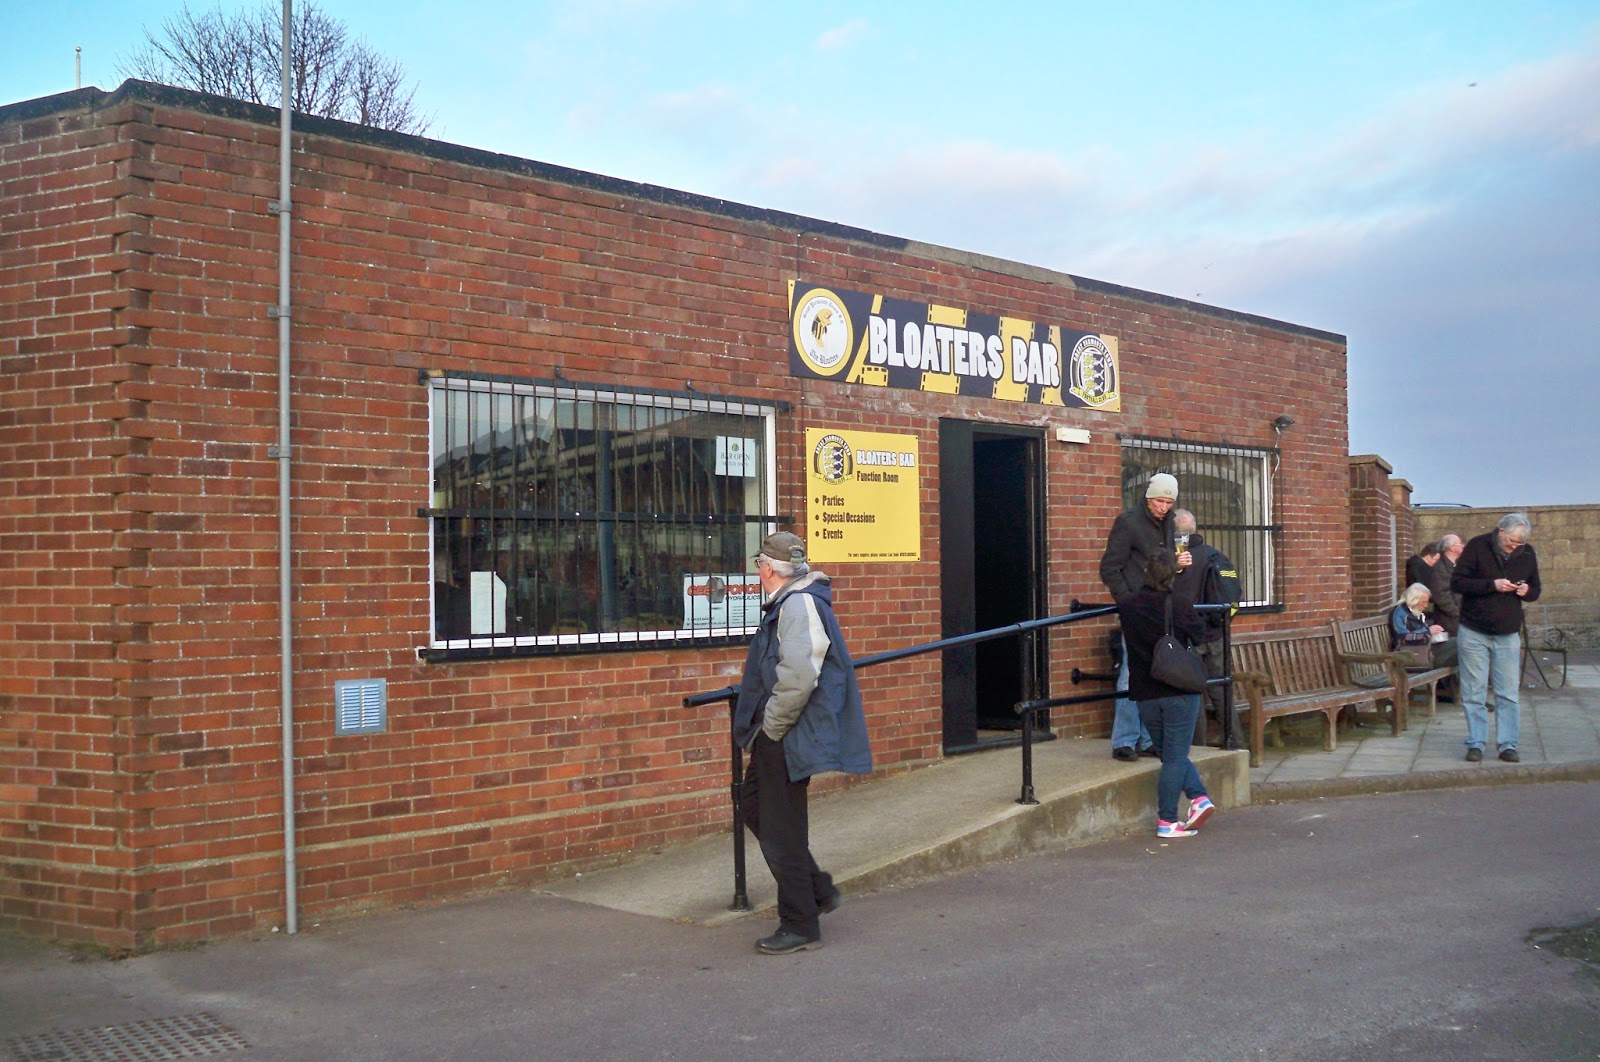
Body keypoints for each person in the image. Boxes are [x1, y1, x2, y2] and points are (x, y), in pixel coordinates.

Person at [734, 531, 873, 954]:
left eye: (759, 564)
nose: (757, 571)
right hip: (782, 732)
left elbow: (799, 676)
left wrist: (771, 729)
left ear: (768, 568)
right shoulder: (794, 601)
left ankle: (800, 924)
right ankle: (816, 890)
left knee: (781, 828)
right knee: (757, 806)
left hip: (785, 733)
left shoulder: (797, 604)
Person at [1116, 549, 1215, 838]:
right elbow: (1199, 636)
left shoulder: (1129, 606)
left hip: (1145, 692)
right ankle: (1168, 821)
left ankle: (1199, 798)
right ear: (1173, 575)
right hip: (1178, 690)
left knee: (1168, 754)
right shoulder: (1179, 604)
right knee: (1175, 756)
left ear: (1145, 573)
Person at [1099, 472, 1191, 761]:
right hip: (1137, 608)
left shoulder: (1169, 524)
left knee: (1155, 671)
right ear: (1148, 497)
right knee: (1130, 672)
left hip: (1160, 605)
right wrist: (1127, 602)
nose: (1163, 507)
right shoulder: (1128, 523)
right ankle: (1125, 740)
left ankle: (1147, 738)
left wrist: (1177, 565)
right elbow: (1109, 568)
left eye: (1168, 502)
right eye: (1159, 501)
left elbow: (1159, 565)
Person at [1450, 513, 1541, 763]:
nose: (1514, 547)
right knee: (1474, 691)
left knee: (1508, 693)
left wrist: (1527, 591)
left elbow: (1536, 589)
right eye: (1511, 541)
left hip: (1508, 634)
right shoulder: (1477, 547)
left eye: (1519, 543)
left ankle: (1507, 744)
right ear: (1500, 531)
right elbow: (1457, 583)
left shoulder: (1527, 553)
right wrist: (1493, 585)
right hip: (1474, 631)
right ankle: (1476, 742)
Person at [1171, 508, 1242, 748]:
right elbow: (1234, 594)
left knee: (1194, 695)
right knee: (1222, 690)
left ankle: (1198, 751)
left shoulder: (1181, 561)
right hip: (1218, 634)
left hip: (1191, 638)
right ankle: (1235, 745)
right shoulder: (1216, 556)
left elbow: (1177, 602)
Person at [1426, 534, 1465, 700]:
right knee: (1454, 652)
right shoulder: (1441, 569)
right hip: (1449, 621)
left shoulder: (1456, 566)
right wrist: (1458, 613)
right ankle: (1447, 691)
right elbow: (1442, 597)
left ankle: (1455, 690)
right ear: (1451, 547)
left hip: (1458, 618)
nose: (1463, 546)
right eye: (1459, 543)